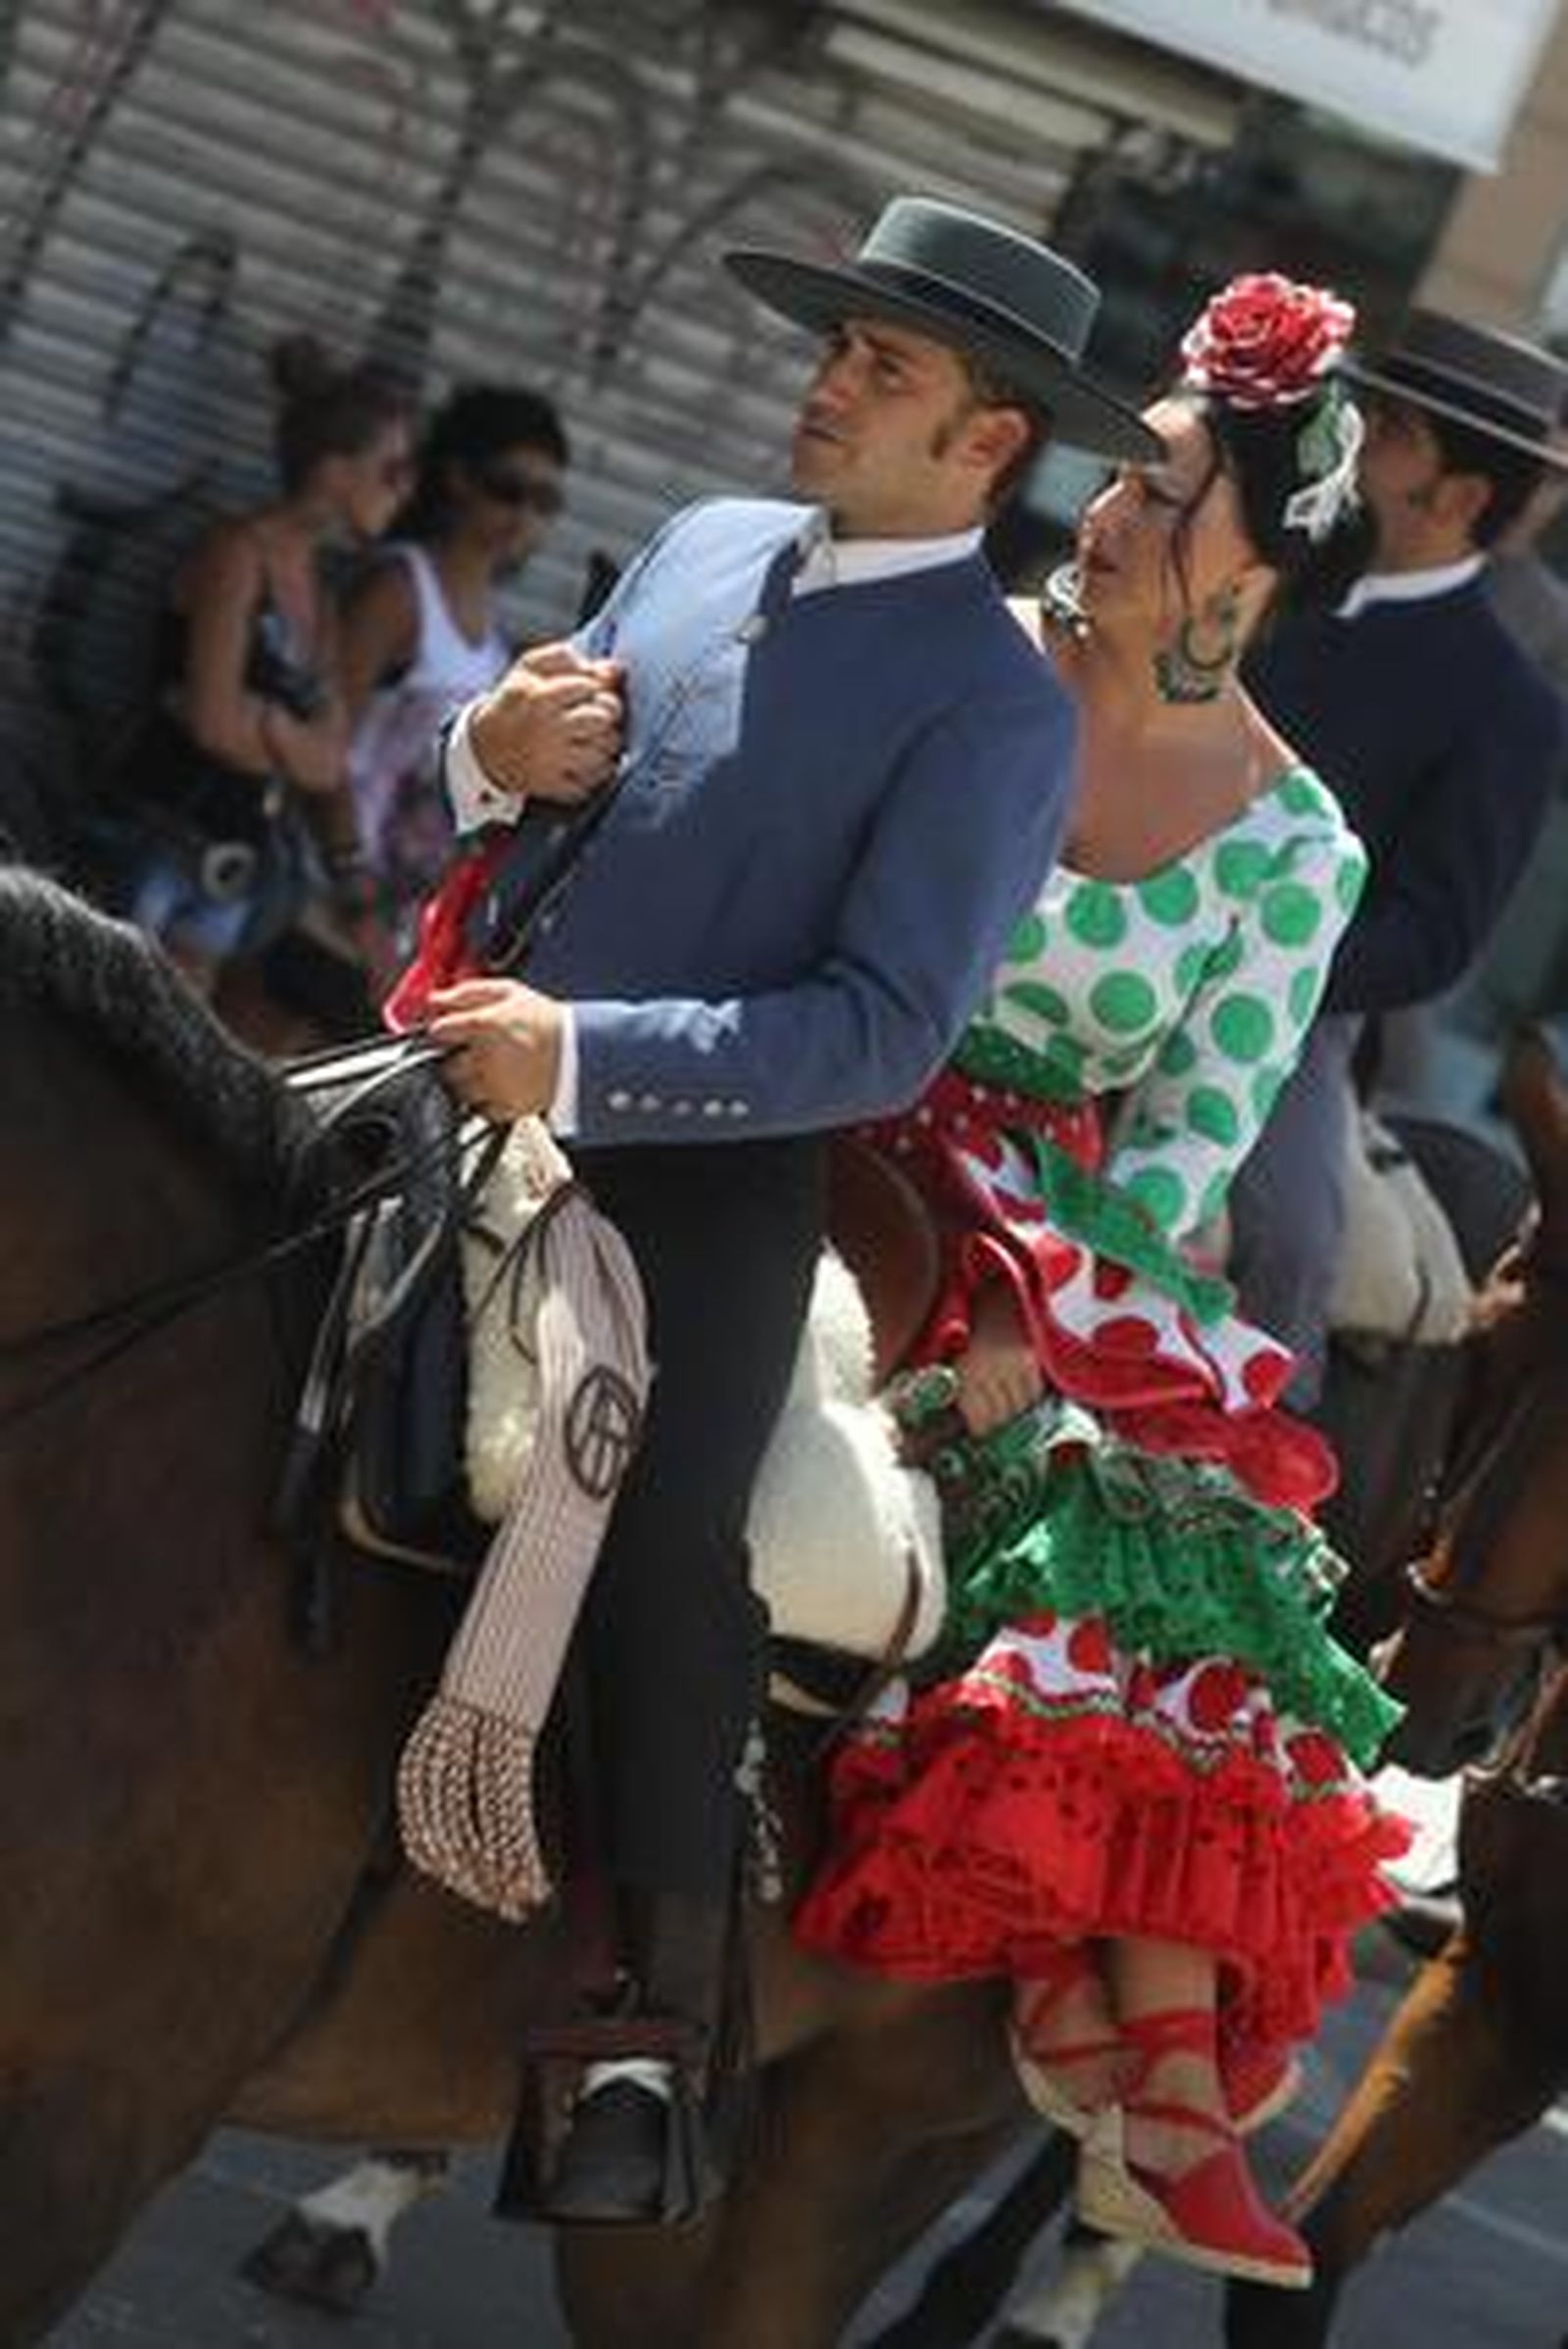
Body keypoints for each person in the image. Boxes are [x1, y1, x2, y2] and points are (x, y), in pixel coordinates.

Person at [391, 196, 1163, 2225]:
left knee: (664, 1527)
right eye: (835, 347)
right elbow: (537, 786)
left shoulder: (996, 712)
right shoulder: (701, 539)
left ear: (987, 441)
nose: (824, 382)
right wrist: (490, 748)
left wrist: (580, 1056)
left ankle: (636, 2029)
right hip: (453, 1060)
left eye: (877, 367)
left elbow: (881, 1033)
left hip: (695, 1166)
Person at [792, 274, 1408, 2290]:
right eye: (1119, 478)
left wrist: (1018, 1310)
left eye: (1157, 495)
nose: (1101, 514)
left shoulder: (1294, 847)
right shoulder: (960, 656)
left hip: (1037, 1213)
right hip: (822, 1083)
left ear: (1254, 559)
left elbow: (1171, 1162)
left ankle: (1153, 2075)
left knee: (1183, 1515)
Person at [1231, 312, 1568, 1398]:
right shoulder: (1257, 575)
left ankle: (1236, 1491)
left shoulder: (1504, 705)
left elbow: (1432, 938)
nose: (1356, 436)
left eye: (1390, 429)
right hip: (1085, 925)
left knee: (1284, 1232)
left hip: (1281, 1019)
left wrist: (1249, 959)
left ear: (1458, 497)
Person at [110, 334, 414, 992]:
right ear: (336, 472)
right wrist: (287, 737)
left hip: (231, 858)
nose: (403, 492)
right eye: (391, 471)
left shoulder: (320, 592)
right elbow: (213, 721)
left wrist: (268, 728)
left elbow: (330, 760)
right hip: (159, 836)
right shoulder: (238, 553)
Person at [338, 383, 569, 957]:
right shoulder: (398, 589)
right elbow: (329, 743)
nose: (523, 516)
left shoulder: (492, 635)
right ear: (458, 478)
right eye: (508, 490)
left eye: (544, 502)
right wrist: (354, 898)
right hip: (330, 901)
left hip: (394, 924)